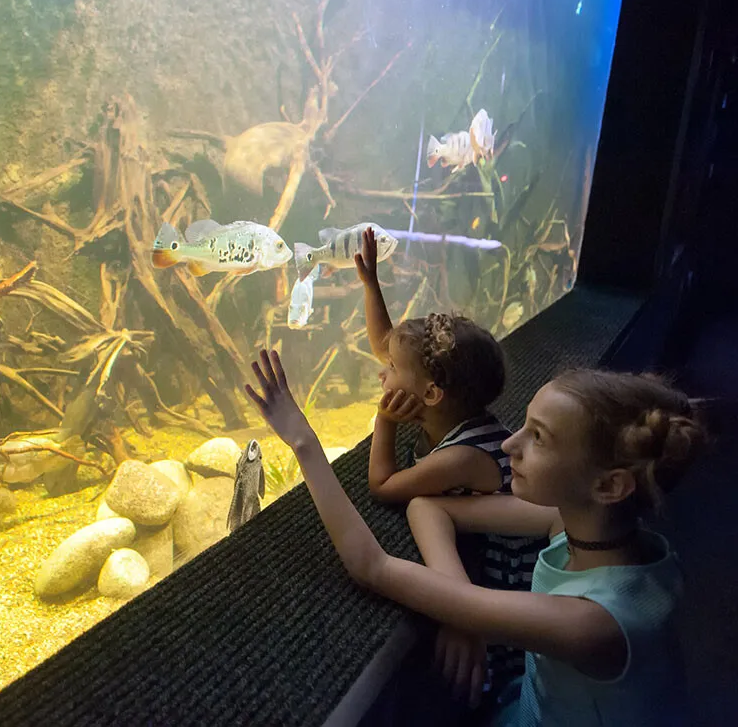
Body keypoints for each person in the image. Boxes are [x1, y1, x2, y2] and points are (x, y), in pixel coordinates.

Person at [244, 350, 704, 726]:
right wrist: (462, 610)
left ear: (608, 486)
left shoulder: (590, 626)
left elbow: (372, 566)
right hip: (528, 698)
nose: (508, 444)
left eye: (538, 438)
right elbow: (429, 506)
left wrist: (304, 443)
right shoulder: (590, 530)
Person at [355, 225, 543, 698]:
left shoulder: (459, 457)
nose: (383, 372)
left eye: (393, 373)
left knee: (491, 682)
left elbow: (383, 486)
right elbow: (385, 343)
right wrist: (371, 285)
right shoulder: (444, 404)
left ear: (431, 392)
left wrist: (384, 423)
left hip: (503, 581)